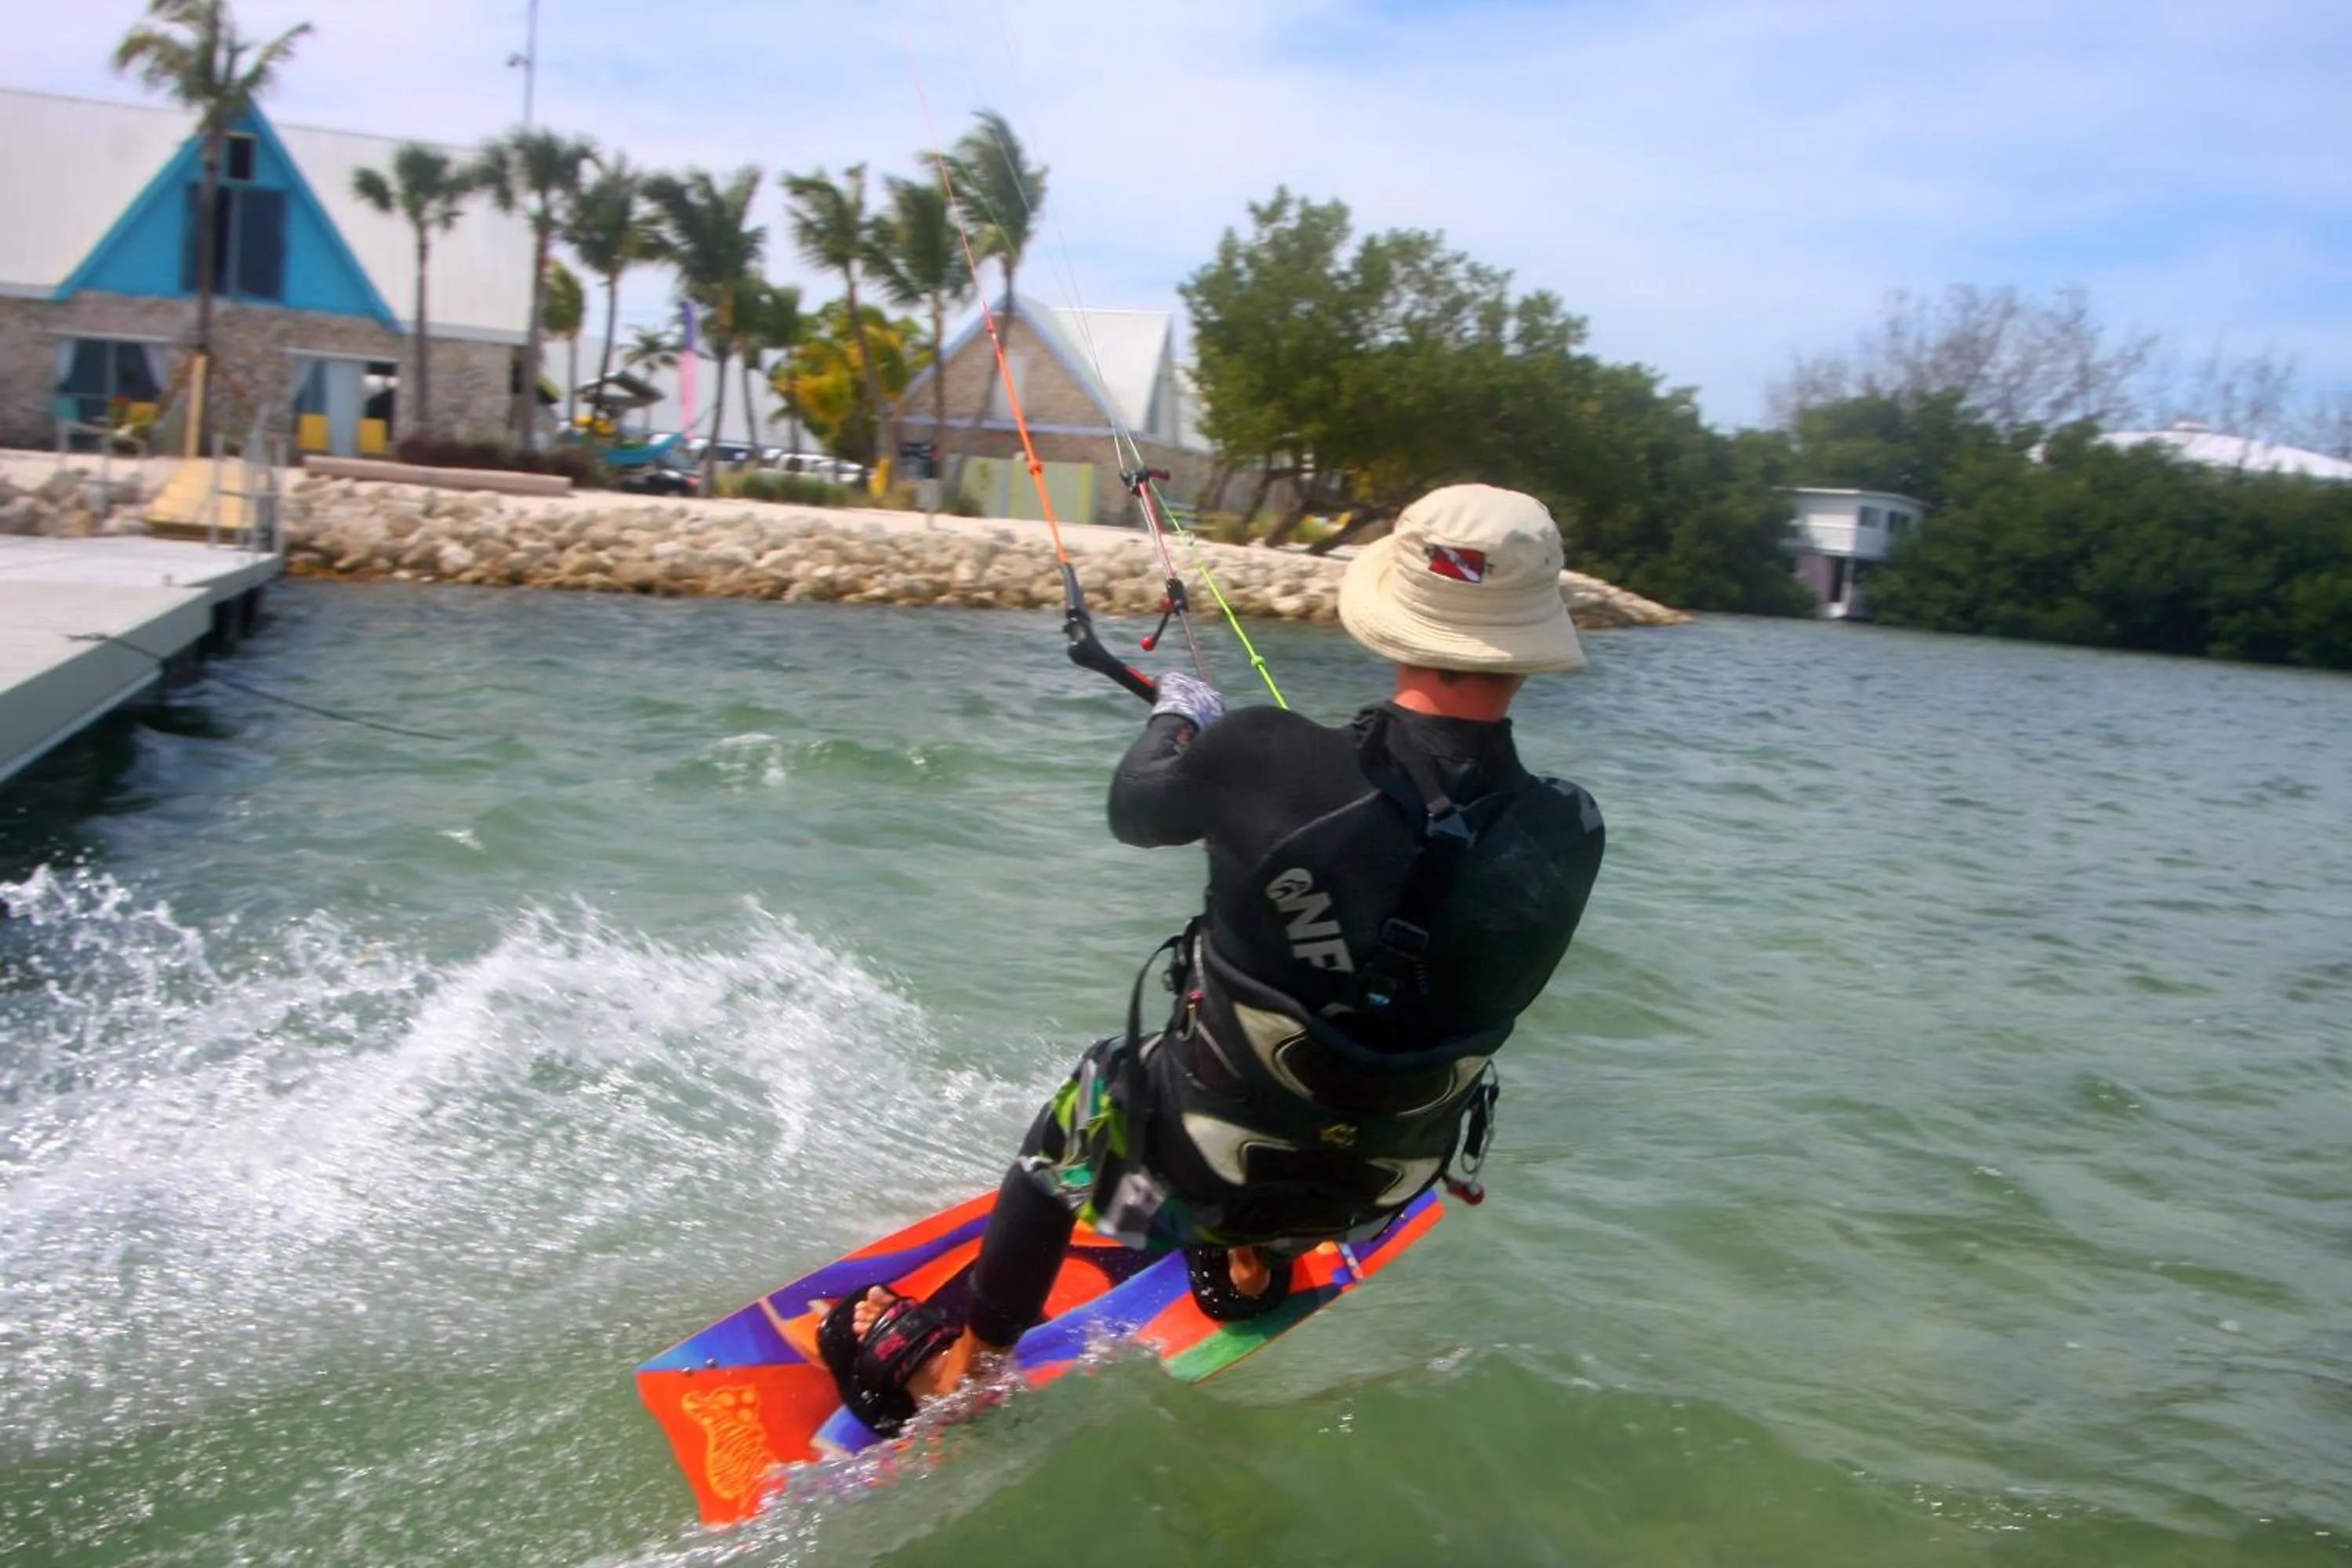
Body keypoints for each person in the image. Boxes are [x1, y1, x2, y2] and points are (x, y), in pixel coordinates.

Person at [818, 484, 1608, 1433]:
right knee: (1368, 1045)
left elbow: (1135, 807)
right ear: (1527, 634)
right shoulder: (1573, 828)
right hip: (1379, 1193)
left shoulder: (1260, 753)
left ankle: (967, 1368)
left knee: (1093, 1093)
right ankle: (1251, 1268)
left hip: (1195, 1178)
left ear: (1398, 610)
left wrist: (1182, 719)